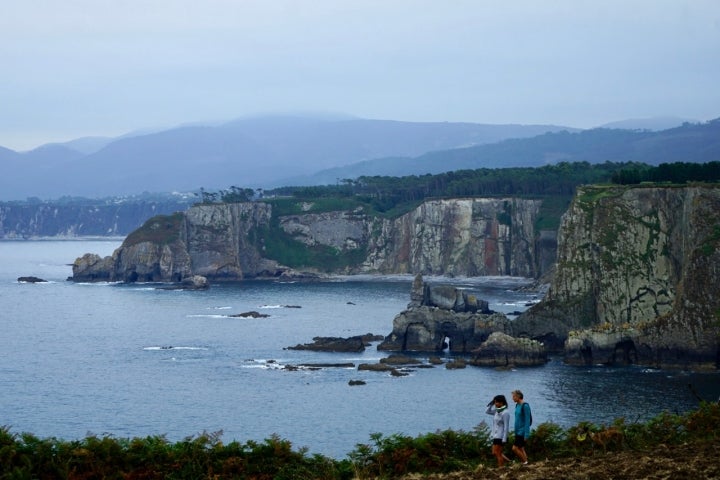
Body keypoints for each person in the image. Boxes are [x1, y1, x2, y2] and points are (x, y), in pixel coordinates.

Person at [485, 394, 511, 468]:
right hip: (495, 435)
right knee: (494, 452)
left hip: (501, 436)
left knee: (498, 453)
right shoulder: (497, 411)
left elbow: (506, 426)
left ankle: (501, 468)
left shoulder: (505, 412)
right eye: (495, 402)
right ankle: (510, 462)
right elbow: (487, 411)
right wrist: (491, 403)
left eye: (497, 402)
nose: (496, 404)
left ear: (502, 403)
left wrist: (504, 438)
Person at [511, 389, 531, 464]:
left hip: (522, 432)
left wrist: (526, 434)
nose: (512, 398)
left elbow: (527, 421)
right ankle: (526, 462)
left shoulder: (525, 406)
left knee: (515, 448)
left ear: (518, 396)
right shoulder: (517, 405)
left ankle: (525, 462)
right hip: (517, 430)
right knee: (521, 448)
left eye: (514, 396)